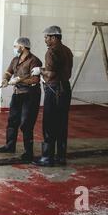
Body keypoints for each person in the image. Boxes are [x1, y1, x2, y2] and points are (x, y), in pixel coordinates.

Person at [31, 26, 73, 167]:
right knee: (62, 123)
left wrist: (40, 71)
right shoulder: (67, 50)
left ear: (54, 37)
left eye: (46, 37)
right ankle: (61, 157)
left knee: (49, 123)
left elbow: (51, 73)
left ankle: (47, 157)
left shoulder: (51, 51)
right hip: (65, 88)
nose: (45, 40)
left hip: (54, 90)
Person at [0, 37, 42, 162]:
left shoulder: (34, 61)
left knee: (26, 124)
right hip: (17, 93)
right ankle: (10, 146)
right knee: (12, 120)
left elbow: (35, 80)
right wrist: (5, 79)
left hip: (30, 95)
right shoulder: (15, 59)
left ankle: (28, 152)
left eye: (15, 46)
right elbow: (8, 71)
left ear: (22, 47)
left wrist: (19, 79)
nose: (14, 49)